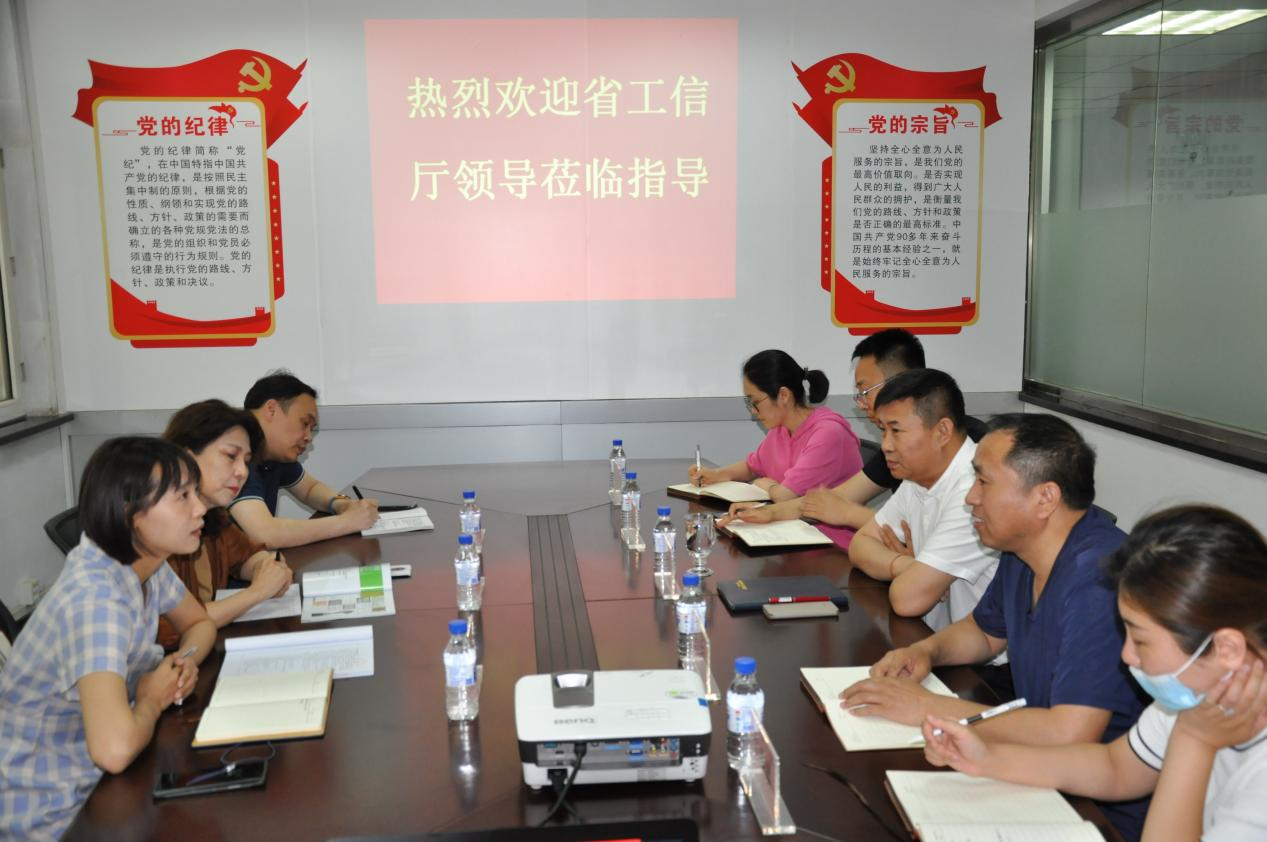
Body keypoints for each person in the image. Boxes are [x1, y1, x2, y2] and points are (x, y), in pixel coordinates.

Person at [842, 413, 1149, 840]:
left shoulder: (1099, 581)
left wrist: (926, 707)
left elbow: (1070, 733)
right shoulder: (1022, 549)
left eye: (984, 482)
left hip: (1102, 814)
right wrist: (926, 652)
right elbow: (985, 632)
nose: (970, 497)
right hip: (1036, 772)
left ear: (1045, 498)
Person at [921, 506, 1267, 842]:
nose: (1127, 655)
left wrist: (1193, 740)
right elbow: (1116, 767)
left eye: (1141, 640)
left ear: (1227, 649)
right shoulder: (1198, 691)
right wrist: (987, 758)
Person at [0, 437, 217, 839]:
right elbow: (114, 750)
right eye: (183, 497)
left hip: (100, 781)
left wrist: (182, 662)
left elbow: (200, 624)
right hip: (51, 815)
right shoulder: (96, 598)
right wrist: (151, 699)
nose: (200, 507)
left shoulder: (144, 561)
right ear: (130, 513)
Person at [722, 329, 985, 543]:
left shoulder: (974, 456)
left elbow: (851, 513)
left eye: (865, 391)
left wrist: (853, 518)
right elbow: (834, 503)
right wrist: (768, 513)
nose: (860, 402)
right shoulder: (898, 450)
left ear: (900, 382)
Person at [846, 369, 999, 629]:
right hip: (933, 635)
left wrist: (915, 575)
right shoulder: (918, 477)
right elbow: (861, 544)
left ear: (942, 431)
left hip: (978, 650)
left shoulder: (975, 490)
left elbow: (907, 599)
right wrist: (906, 565)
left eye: (896, 430)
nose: (886, 445)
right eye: (883, 431)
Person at [157, 399, 294, 647]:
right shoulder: (155, 527)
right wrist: (256, 593)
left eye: (246, 461)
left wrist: (266, 568)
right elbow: (167, 627)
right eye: (231, 456)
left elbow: (246, 554)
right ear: (187, 456)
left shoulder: (213, 516)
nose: (242, 472)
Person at [686, 350, 863, 542]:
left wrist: (768, 485)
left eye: (755, 402)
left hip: (828, 541)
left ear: (783, 395)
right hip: (788, 530)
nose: (753, 411)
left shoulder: (828, 433)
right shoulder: (781, 428)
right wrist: (717, 474)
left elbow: (785, 496)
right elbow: (752, 466)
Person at [229, 372, 379, 547]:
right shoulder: (233, 452)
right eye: (305, 423)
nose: (308, 437)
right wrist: (347, 522)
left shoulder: (273, 452)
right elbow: (265, 533)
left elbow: (309, 489)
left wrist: (342, 505)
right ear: (271, 410)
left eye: (311, 429)